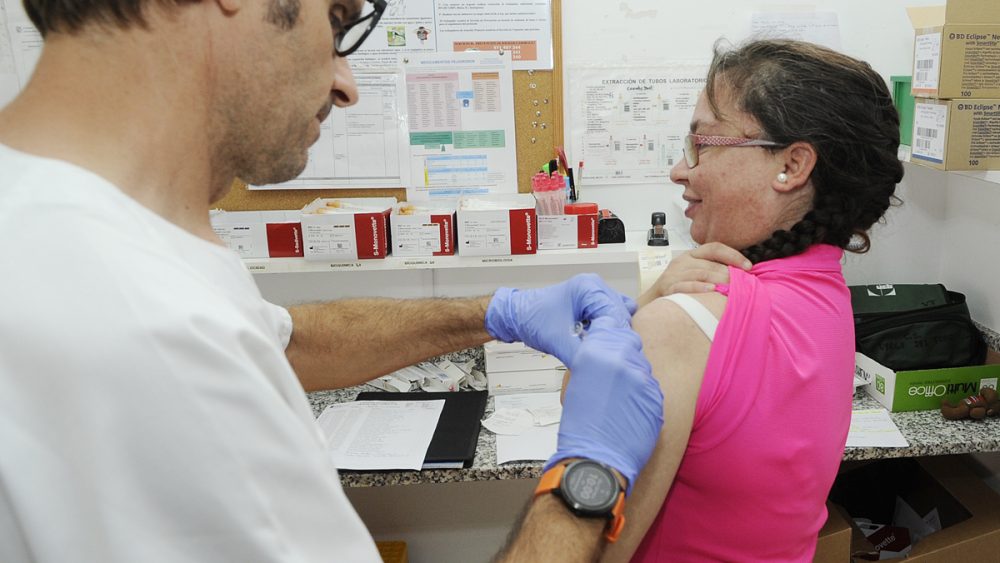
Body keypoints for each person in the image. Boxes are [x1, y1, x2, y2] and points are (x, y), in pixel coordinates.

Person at [0, 0, 664, 561]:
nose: (346, 84)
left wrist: (496, 310)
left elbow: (280, 345)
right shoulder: (144, 322)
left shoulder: (66, 223)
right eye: (337, 22)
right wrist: (589, 474)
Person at [598, 39, 904, 562]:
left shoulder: (684, 325)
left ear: (792, 165)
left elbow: (595, 545)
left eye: (702, 144)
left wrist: (644, 307)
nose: (679, 170)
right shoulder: (826, 294)